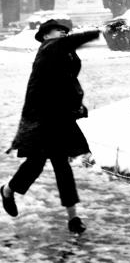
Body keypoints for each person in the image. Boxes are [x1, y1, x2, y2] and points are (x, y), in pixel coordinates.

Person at [1, 19, 101, 234]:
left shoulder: (63, 53)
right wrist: (98, 31)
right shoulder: (48, 49)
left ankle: (73, 218)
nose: (63, 33)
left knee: (61, 166)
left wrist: (76, 104)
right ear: (45, 35)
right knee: (35, 164)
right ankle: (8, 191)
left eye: (66, 31)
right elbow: (71, 44)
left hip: (59, 117)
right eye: (59, 30)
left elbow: (67, 80)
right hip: (41, 119)